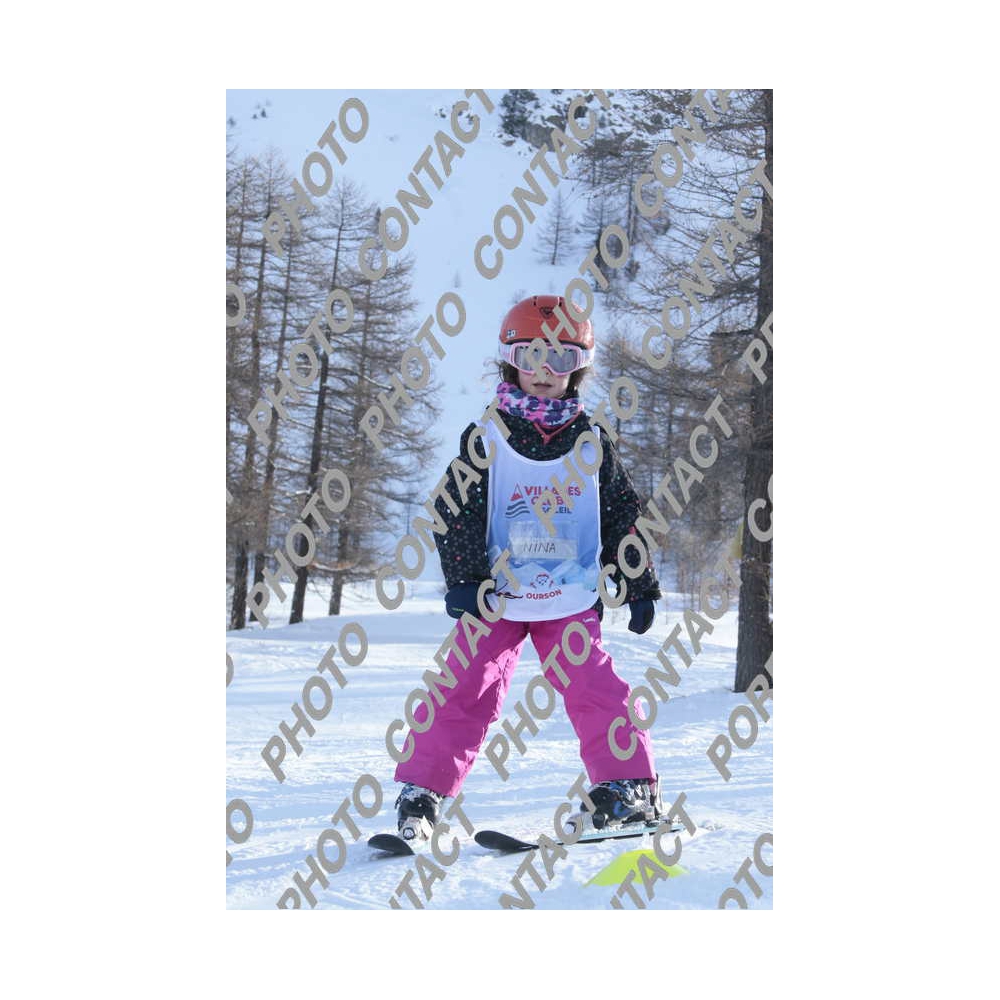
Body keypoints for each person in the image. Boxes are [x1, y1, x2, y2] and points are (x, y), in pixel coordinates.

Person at [393, 294, 663, 843]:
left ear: (578, 369)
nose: (544, 371)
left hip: (569, 593)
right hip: (497, 595)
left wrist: (638, 582)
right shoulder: (487, 437)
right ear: (511, 361)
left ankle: (628, 788)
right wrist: (465, 580)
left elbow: (620, 513)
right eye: (532, 357)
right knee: (463, 685)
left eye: (561, 359)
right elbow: (455, 510)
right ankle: (423, 792)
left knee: (593, 685)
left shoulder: (591, 442)